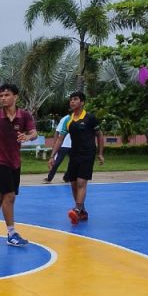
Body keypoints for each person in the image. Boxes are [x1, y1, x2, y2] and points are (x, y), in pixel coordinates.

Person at [0, 83, 36, 246]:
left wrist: (28, 137)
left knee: (0, 196)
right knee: (9, 195)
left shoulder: (24, 116)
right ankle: (12, 234)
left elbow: (33, 132)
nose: (3, 98)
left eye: (6, 95)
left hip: (15, 162)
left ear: (15, 97)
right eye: (1, 95)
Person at [56, 91, 105, 224]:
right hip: (74, 154)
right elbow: (60, 139)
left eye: (75, 99)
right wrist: (52, 155)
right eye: (71, 99)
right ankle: (82, 211)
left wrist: (100, 153)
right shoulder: (68, 120)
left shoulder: (90, 118)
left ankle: (77, 210)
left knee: (81, 182)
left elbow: (99, 136)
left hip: (88, 154)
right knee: (73, 183)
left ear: (82, 102)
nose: (72, 102)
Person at [43, 114, 72, 183]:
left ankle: (66, 177)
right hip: (63, 145)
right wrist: (54, 144)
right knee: (57, 162)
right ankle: (49, 178)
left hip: (73, 145)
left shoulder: (79, 118)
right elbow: (57, 132)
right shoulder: (65, 119)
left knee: (73, 163)